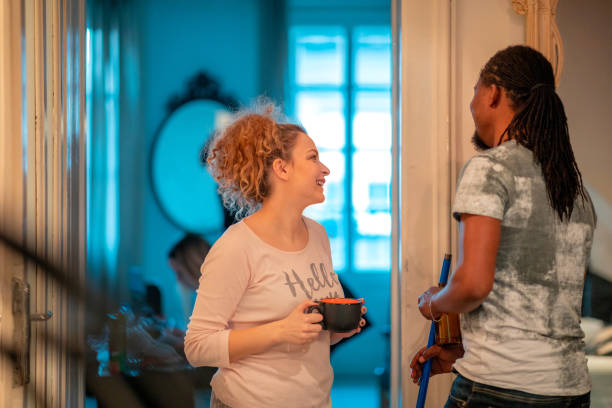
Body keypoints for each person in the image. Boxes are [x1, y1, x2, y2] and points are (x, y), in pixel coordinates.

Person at [411, 45, 596, 407]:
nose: (471, 104)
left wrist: (433, 302)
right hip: (571, 390)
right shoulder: (574, 189)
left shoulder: (490, 168)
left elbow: (473, 285)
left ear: (493, 93)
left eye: (475, 91)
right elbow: (537, 301)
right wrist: (463, 352)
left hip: (501, 390)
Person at [184, 104, 367, 408]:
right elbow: (197, 346)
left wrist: (337, 330)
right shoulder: (236, 246)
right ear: (282, 168)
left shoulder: (319, 236)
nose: (325, 169)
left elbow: (312, 337)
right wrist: (280, 331)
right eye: (312, 158)